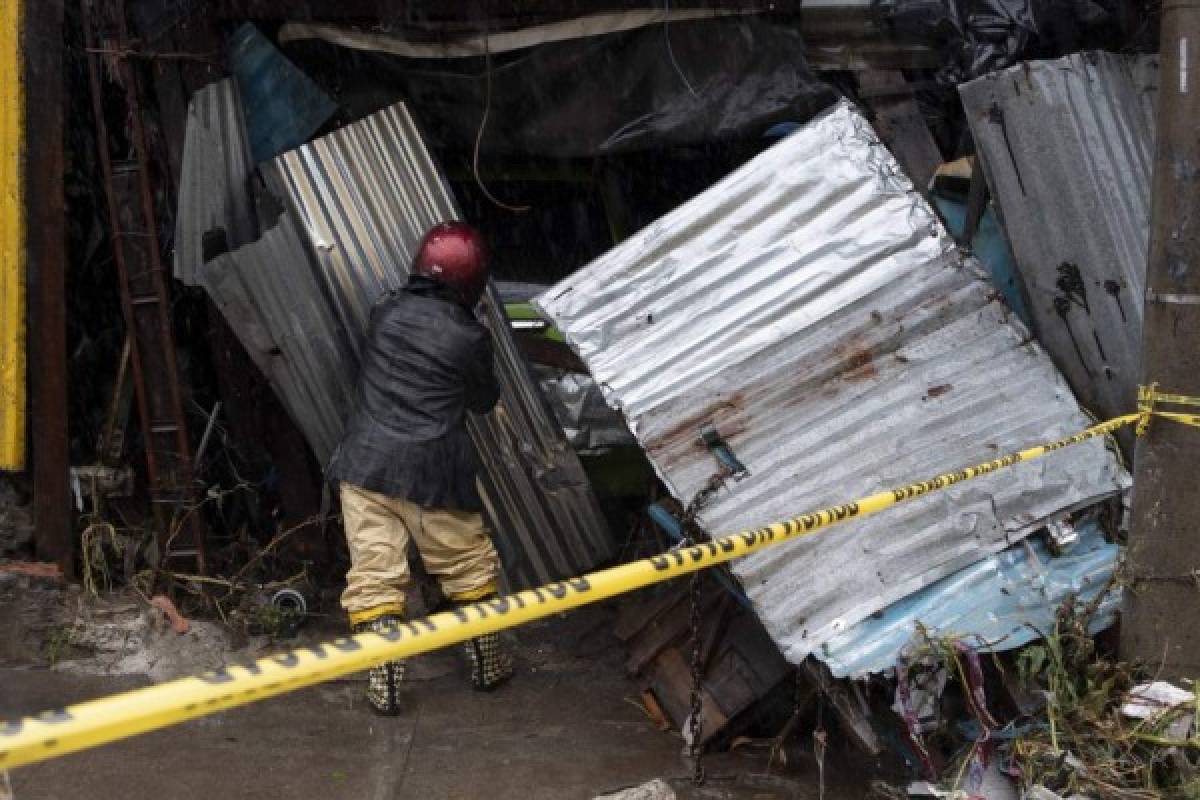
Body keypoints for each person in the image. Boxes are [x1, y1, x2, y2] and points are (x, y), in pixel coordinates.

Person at [328, 221, 513, 715]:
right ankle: (487, 667)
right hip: (433, 475)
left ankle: (383, 685)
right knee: (467, 570)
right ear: (472, 280)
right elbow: (482, 400)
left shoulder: (385, 312)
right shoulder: (469, 336)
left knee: (375, 578)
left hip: (365, 466)